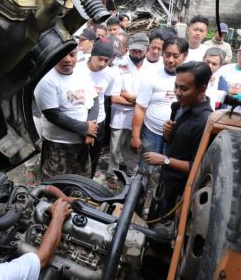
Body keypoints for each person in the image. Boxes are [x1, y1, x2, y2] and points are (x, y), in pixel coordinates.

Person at [143, 61, 213, 222]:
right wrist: (168, 135)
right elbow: (175, 145)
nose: (177, 92)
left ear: (202, 89)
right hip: (166, 182)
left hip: (181, 193)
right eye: (176, 86)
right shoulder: (181, 106)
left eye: (184, 88)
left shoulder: (205, 123)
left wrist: (165, 160)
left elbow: (199, 168)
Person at [34, 49, 99, 178]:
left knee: (80, 183)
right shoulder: (46, 80)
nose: (68, 59)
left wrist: (91, 129)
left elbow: (95, 101)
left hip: (81, 142)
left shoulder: (81, 75)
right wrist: (85, 128)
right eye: (62, 55)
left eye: (72, 54)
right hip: (58, 144)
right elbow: (53, 115)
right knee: (55, 186)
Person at [130, 38, 189, 162]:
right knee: (146, 169)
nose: (170, 60)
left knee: (169, 168)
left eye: (175, 56)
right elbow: (140, 108)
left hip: (177, 137)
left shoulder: (190, 79)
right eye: (167, 55)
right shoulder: (151, 76)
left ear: (185, 56)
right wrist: (135, 136)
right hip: (151, 134)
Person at [107, 33, 149, 186]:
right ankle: (112, 173)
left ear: (146, 49)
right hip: (120, 115)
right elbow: (115, 97)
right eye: (133, 51)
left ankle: (132, 171)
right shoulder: (120, 66)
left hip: (140, 116)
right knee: (115, 148)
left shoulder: (151, 67)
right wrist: (138, 101)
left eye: (140, 51)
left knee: (134, 146)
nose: (136, 54)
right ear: (128, 48)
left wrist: (129, 97)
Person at [76, 38, 116, 177]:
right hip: (78, 119)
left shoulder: (110, 74)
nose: (102, 64)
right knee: (76, 154)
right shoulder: (77, 69)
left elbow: (105, 97)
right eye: (100, 59)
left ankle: (88, 181)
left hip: (98, 121)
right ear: (92, 54)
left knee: (94, 155)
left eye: (106, 60)